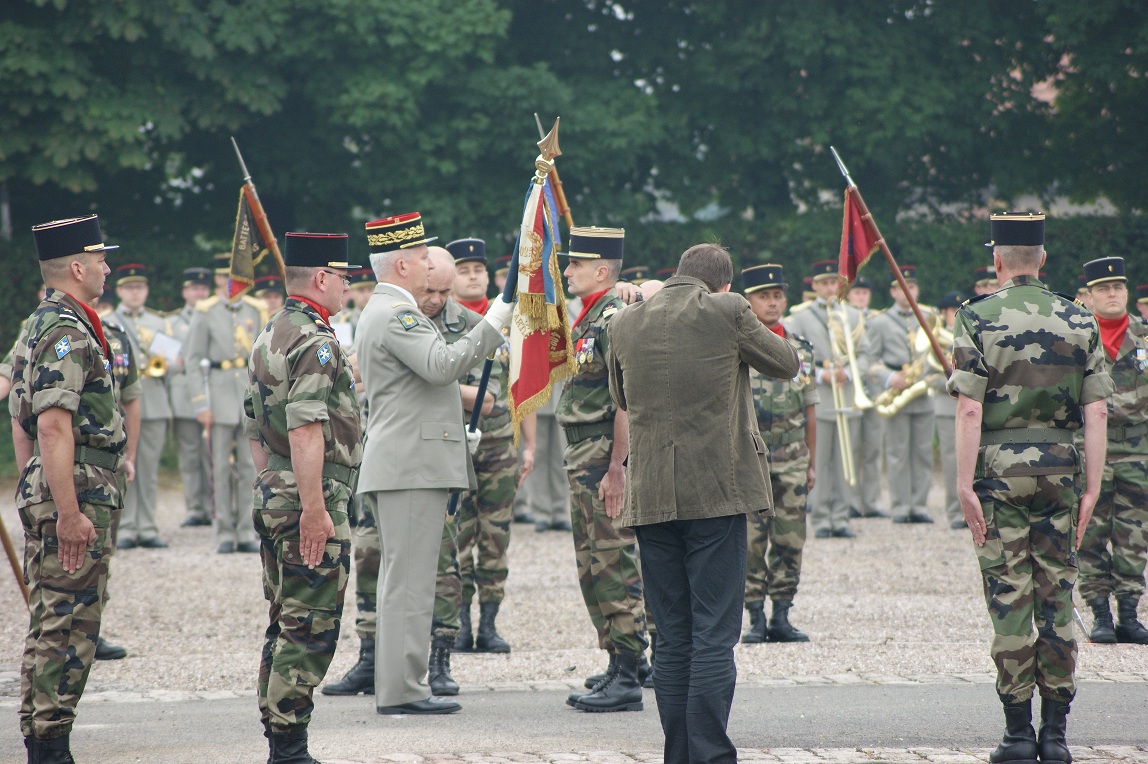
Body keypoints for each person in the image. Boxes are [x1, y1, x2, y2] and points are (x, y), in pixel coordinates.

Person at [608, 243, 799, 763]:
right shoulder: (728, 310)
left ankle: (680, 753)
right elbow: (786, 363)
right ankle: (712, 754)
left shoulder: (623, 322)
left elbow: (622, 397)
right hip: (715, 492)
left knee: (670, 637)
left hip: (650, 494)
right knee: (714, 634)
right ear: (725, 284)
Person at [948, 212, 1112, 764]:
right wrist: (1092, 486)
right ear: (1042, 259)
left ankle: (1018, 735)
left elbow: (970, 410)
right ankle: (1057, 735)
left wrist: (964, 482)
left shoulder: (976, 317)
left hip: (997, 470)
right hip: (1063, 471)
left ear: (997, 260)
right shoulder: (1079, 318)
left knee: (1010, 597)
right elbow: (1097, 411)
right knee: (1057, 598)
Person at [354, 212, 511, 715]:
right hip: (410, 464)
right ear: (402, 265)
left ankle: (404, 685)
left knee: (407, 580)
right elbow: (443, 366)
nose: (430, 264)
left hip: (408, 462)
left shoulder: (390, 309)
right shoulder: (397, 314)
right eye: (423, 257)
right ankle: (403, 690)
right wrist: (496, 321)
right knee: (408, 583)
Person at [10, 215, 127, 763]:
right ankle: (50, 747)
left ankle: (44, 741)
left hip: (62, 482)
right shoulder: (63, 331)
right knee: (69, 622)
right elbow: (53, 423)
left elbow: (19, 417)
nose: (108, 268)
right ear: (77, 267)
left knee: (54, 617)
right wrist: (66, 508)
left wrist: (33, 482)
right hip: (75, 487)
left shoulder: (41, 324)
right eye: (101, 259)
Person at [243, 232, 362, 763]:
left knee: (285, 618)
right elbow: (306, 429)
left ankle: (280, 739)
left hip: (276, 490)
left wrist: (275, 486)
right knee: (310, 625)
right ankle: (289, 749)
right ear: (321, 278)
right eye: (344, 276)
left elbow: (252, 427)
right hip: (309, 496)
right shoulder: (316, 340)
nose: (349, 285)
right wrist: (312, 508)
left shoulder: (271, 331)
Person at [557, 226, 650, 713]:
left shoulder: (613, 318)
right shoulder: (590, 315)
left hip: (601, 456)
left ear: (601, 270)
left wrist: (618, 467)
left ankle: (630, 672)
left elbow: (626, 400)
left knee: (612, 561)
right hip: (583, 454)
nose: (566, 271)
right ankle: (619, 658)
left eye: (574, 264)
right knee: (591, 563)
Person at [445, 238, 526, 656]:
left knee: (495, 535)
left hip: (499, 440)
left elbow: (523, 384)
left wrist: (528, 444)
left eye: (478, 268)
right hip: (453, 442)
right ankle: (458, 625)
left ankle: (489, 625)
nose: (473, 275)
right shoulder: (442, 320)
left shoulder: (508, 319)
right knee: (458, 533)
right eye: (464, 269)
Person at [737, 264, 817, 645]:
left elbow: (810, 409)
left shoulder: (801, 349)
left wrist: (811, 462)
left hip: (792, 455)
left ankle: (781, 614)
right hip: (749, 458)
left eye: (777, 295)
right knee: (751, 539)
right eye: (763, 296)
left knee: (789, 538)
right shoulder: (738, 346)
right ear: (748, 302)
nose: (772, 302)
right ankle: (753, 615)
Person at [1077, 257, 1148, 645]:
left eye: (1118, 287)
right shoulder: (1076, 339)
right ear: (1088, 297)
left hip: (1138, 449)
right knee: (1091, 530)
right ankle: (1100, 611)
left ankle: (1129, 613)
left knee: (1134, 533)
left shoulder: (1145, 337)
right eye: (1103, 289)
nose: (1111, 294)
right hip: (1091, 448)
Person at [185, 260, 268, 554]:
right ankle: (223, 531)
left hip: (247, 392)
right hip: (218, 390)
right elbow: (192, 360)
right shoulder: (205, 311)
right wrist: (201, 403)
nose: (229, 285)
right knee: (220, 466)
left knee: (250, 466)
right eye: (224, 279)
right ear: (218, 281)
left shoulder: (256, 309)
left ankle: (246, 528)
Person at [784, 260, 863, 538]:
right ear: (815, 285)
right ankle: (820, 519)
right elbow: (793, 356)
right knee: (818, 459)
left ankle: (841, 517)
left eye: (834, 283)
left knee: (845, 461)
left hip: (847, 396)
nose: (830, 288)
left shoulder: (852, 315)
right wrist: (820, 376)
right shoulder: (799, 316)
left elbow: (865, 354)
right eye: (825, 283)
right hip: (820, 397)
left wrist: (850, 373)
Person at [860, 265, 936, 524]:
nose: (908, 292)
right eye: (902, 287)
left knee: (923, 452)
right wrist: (890, 378)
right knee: (898, 452)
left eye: (912, 287)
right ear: (893, 291)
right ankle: (901, 506)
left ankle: (920, 505)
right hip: (896, 389)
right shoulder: (880, 321)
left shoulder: (929, 316)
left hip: (923, 390)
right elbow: (870, 360)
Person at [111, 263, 173, 549]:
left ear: (146, 290)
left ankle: (147, 525)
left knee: (148, 469)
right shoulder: (109, 321)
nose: (135, 293)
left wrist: (165, 363)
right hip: (123, 400)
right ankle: (125, 526)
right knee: (123, 465)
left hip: (155, 399)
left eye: (140, 287)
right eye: (129, 288)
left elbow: (174, 362)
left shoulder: (160, 322)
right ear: (120, 290)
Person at [169, 267, 214, 528]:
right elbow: (169, 361)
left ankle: (214, 506)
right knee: (189, 454)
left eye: (203, 289)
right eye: (194, 289)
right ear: (185, 292)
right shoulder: (171, 323)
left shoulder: (214, 316)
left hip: (212, 391)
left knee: (213, 454)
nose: (199, 293)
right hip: (185, 393)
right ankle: (195, 508)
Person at [846, 276, 888, 519]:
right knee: (850, 448)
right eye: (857, 292)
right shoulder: (844, 318)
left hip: (874, 390)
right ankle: (850, 501)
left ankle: (871, 501)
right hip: (852, 390)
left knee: (873, 448)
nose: (861, 297)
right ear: (849, 295)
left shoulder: (877, 320)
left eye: (865, 293)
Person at [928, 290, 966, 530]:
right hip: (945, 405)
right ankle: (955, 512)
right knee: (952, 461)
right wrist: (950, 381)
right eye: (951, 311)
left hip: (970, 404)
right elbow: (927, 377)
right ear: (943, 313)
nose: (955, 315)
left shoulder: (967, 335)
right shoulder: (932, 340)